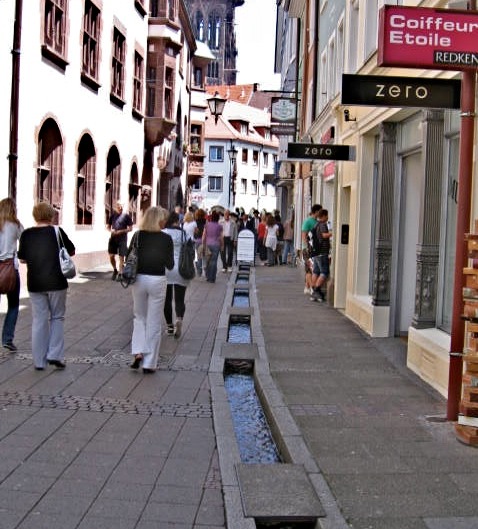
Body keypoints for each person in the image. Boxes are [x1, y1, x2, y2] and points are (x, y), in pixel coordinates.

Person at [18, 202, 75, 370]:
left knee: (39, 320)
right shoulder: (57, 231)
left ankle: (39, 361)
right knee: (57, 317)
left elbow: (22, 259)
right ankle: (54, 354)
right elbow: (71, 251)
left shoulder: (26, 234)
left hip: (35, 282)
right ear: (51, 215)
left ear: (35, 215)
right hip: (56, 281)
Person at [129, 206, 174, 374]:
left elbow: (129, 256)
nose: (165, 222)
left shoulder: (138, 235)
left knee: (139, 317)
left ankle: (138, 352)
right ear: (158, 220)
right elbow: (170, 264)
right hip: (157, 280)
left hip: (138, 279)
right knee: (154, 321)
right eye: (163, 219)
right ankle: (149, 363)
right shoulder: (166, 239)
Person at [162, 211, 192, 339]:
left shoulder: (163, 233)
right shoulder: (184, 234)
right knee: (180, 299)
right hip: (181, 269)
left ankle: (169, 326)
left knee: (167, 300)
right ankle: (179, 318)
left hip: (166, 269)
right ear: (177, 221)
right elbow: (190, 251)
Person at [0, 198, 23, 351]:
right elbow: (26, 240)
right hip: (10, 269)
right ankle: (7, 339)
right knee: (13, 305)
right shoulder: (16, 225)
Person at [310, 209, 332, 302]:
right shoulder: (323, 225)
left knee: (316, 271)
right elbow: (324, 235)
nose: (327, 217)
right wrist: (332, 233)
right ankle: (316, 289)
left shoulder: (316, 224)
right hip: (322, 252)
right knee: (324, 272)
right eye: (327, 215)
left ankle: (313, 291)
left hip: (316, 251)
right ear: (323, 216)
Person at [107, 202, 133, 281]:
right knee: (111, 256)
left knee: (121, 256)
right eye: (118, 206)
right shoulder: (112, 216)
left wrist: (121, 231)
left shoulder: (126, 216)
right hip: (113, 238)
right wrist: (111, 230)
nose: (120, 208)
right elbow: (108, 227)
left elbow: (130, 228)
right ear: (115, 207)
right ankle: (115, 270)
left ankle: (120, 273)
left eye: (121, 206)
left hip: (122, 239)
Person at [202, 210, 223, 283]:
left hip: (208, 244)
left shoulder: (207, 225)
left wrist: (203, 244)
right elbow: (221, 237)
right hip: (216, 245)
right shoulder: (219, 226)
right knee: (214, 262)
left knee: (207, 261)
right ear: (218, 218)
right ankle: (212, 278)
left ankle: (207, 276)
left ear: (211, 218)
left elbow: (204, 235)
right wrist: (222, 245)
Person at [194, 208, 207, 276]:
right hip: (204, 240)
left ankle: (199, 272)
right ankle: (205, 270)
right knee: (204, 256)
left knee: (198, 256)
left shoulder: (195, 222)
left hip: (197, 240)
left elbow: (194, 232)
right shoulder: (206, 221)